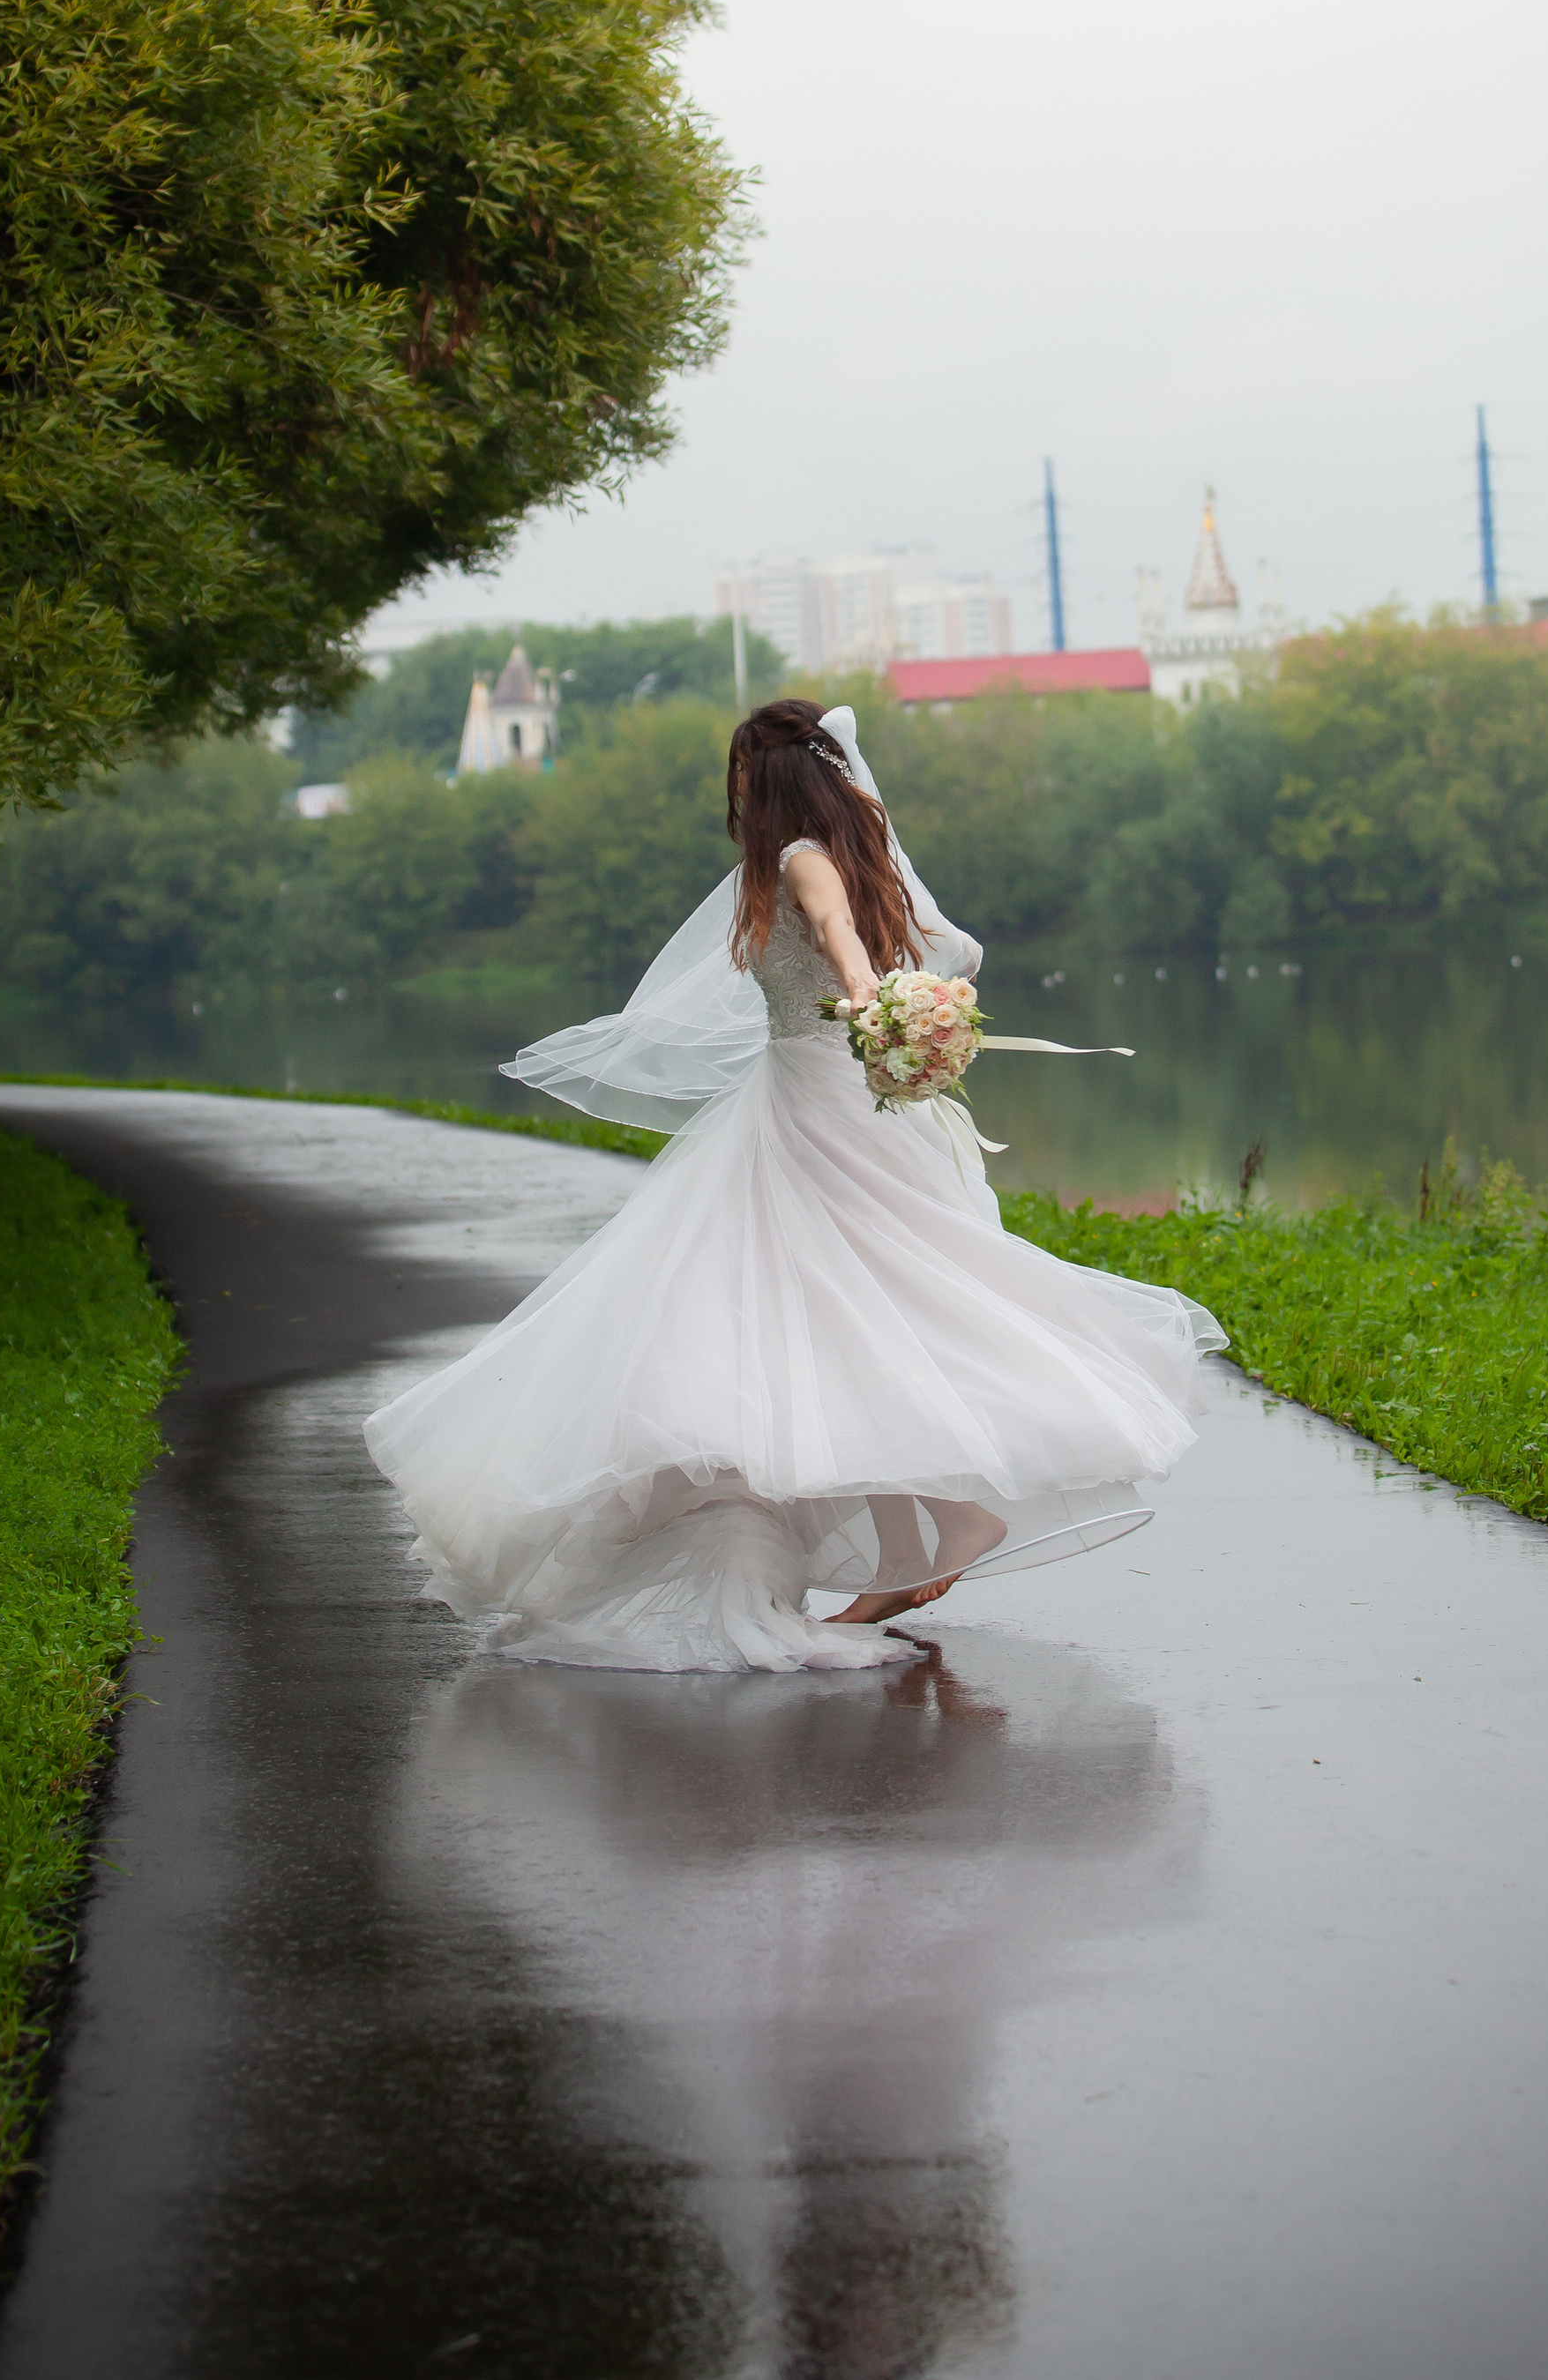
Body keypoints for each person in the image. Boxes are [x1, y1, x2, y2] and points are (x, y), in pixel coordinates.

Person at [363, 701, 1221, 1672]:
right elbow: (896, 944)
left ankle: (947, 1523)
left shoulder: (804, 860)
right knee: (843, 1315)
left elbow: (844, 945)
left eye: (739, 776)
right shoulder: (843, 855)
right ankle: (929, 1535)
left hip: (821, 1108)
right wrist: (888, 1017)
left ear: (768, 782)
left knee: (839, 1307)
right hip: (808, 1100)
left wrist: (876, 1009)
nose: (731, 795)